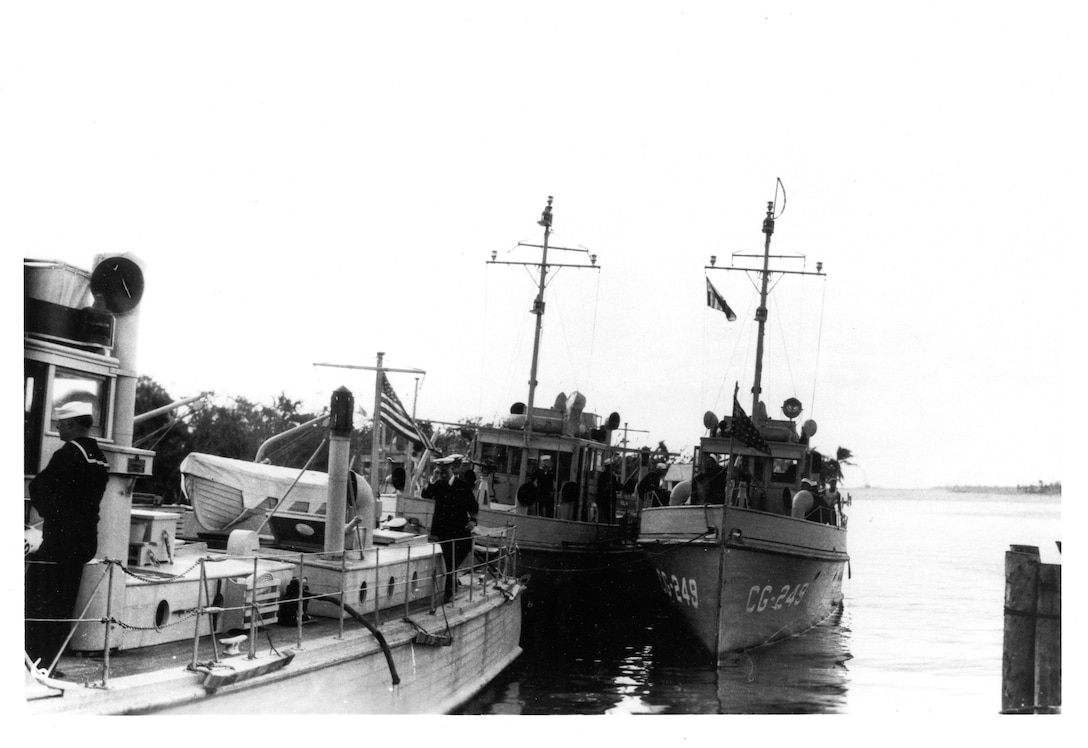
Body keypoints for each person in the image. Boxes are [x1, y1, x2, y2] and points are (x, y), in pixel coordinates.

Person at [25, 400, 109, 671]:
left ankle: (32, 662)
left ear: (73, 424)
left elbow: (40, 485)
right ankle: (48, 662)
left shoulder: (69, 453)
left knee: (38, 600)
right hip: (84, 542)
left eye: (61, 425)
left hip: (60, 540)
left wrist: (50, 513)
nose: (59, 429)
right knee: (63, 604)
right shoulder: (99, 456)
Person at [421, 456, 479, 603]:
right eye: (441, 471)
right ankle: (449, 592)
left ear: (451, 470)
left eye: (445, 471)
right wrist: (433, 479)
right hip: (442, 530)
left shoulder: (462, 485)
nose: (443, 474)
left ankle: (452, 584)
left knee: (462, 550)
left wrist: (473, 520)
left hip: (458, 528)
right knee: (449, 560)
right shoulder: (438, 484)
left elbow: (473, 506)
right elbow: (425, 494)